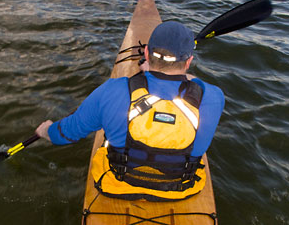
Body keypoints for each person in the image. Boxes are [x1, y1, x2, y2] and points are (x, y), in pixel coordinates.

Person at [35, 21, 225, 201]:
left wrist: (46, 131)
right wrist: (156, 72)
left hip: (118, 184)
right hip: (181, 189)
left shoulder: (112, 90)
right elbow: (191, 82)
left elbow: (67, 134)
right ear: (189, 61)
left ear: (147, 53)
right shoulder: (213, 97)